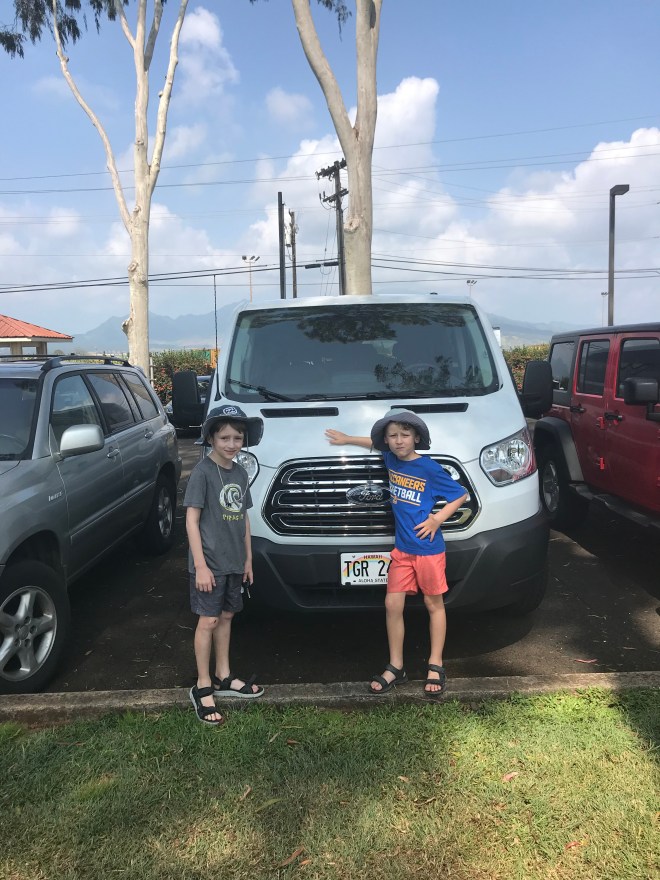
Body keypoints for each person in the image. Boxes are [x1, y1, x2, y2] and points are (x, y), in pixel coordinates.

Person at [326, 410, 467, 698]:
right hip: (402, 552)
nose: (399, 440)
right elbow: (372, 443)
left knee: (433, 604)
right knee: (392, 605)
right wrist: (347, 439)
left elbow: (459, 494)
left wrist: (437, 519)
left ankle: (436, 664)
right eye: (393, 436)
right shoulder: (390, 458)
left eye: (405, 435)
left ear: (416, 438)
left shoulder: (428, 468)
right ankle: (396, 666)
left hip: (428, 550)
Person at [184, 404, 265, 725]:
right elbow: (191, 521)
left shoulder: (240, 473)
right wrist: (201, 566)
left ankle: (223, 675)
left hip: (234, 561)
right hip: (210, 563)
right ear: (211, 439)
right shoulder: (202, 473)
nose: (232, 444)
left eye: (237, 438)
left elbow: (243, 518)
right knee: (208, 620)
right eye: (225, 438)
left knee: (228, 616)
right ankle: (202, 684)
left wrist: (248, 559)